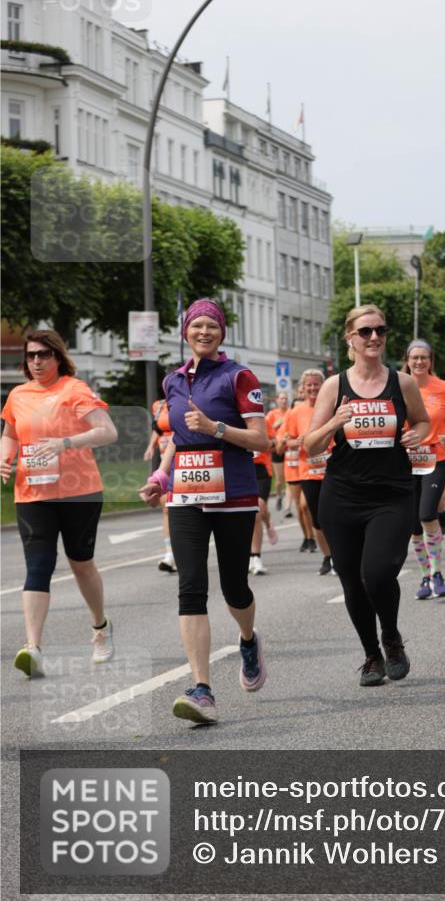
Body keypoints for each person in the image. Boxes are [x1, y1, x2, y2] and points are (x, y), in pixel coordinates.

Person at [139, 299, 269, 725]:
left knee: (234, 588)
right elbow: (178, 436)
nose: (204, 332)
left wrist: (216, 429)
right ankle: (203, 690)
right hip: (186, 496)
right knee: (191, 586)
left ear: (222, 333)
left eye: (212, 326)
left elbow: (261, 440)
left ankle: (248, 640)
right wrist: (161, 476)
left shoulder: (239, 377)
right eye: (196, 326)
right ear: (185, 332)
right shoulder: (173, 382)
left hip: (233, 494)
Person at [304, 304, 430, 686]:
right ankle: (372, 655)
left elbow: (423, 421)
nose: (374, 337)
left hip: (391, 494)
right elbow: (309, 446)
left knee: (376, 573)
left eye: (380, 330)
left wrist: (418, 433)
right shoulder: (333, 386)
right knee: (351, 582)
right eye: (365, 332)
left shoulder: (402, 382)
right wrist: (334, 422)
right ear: (350, 339)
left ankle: (391, 638)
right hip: (342, 495)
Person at [1, 330, 118, 677]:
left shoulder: (74, 390)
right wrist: (5, 459)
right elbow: (9, 435)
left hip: (78, 492)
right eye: (31, 355)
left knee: (81, 563)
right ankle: (33, 647)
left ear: (57, 357)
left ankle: (100, 628)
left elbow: (107, 431)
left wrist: (65, 442)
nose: (36, 361)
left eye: (43, 355)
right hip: (33, 494)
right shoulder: (18, 395)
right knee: (38, 566)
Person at [401, 340, 445, 599]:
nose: (419, 362)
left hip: (436, 457)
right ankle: (425, 576)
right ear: (408, 360)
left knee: (427, 513)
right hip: (405, 462)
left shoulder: (443, 388)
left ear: (430, 361)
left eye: (424, 358)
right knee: (413, 524)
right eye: (414, 358)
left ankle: (437, 572)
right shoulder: (398, 386)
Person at [280, 369, 335, 575]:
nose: (313, 388)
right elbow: (287, 441)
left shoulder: (332, 407)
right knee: (318, 519)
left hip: (333, 470)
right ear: (303, 389)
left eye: (317, 384)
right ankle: (328, 556)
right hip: (308, 471)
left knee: (336, 516)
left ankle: (340, 555)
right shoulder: (295, 412)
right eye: (309, 385)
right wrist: (299, 442)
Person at [143, 395, 176, 572]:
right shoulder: (159, 405)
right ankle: (170, 553)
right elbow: (157, 428)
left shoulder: (186, 399)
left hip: (182, 461)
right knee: (166, 507)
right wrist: (151, 446)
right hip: (165, 461)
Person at [249, 445, 278, 576]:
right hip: (241, 468)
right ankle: (267, 522)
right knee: (253, 513)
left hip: (261, 470)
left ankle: (256, 557)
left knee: (258, 509)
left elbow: (272, 444)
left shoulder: (262, 424)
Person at [265, 392, 288, 511]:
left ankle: (288, 505)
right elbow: (265, 429)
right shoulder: (272, 414)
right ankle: (279, 496)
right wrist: (275, 425)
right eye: (281, 398)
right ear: (277, 400)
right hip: (277, 448)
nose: (284, 401)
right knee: (279, 480)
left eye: (285, 398)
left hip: (289, 448)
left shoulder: (290, 412)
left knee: (289, 478)